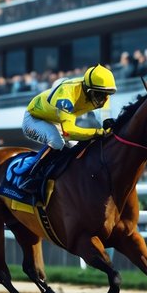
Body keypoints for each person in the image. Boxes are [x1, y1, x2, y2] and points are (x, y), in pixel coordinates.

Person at [17, 64, 117, 202]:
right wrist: (97, 132)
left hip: (55, 120)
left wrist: (108, 123)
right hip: (34, 119)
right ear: (88, 90)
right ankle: (30, 178)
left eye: (107, 94)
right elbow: (68, 132)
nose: (104, 99)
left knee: (77, 148)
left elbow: (104, 118)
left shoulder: (99, 92)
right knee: (57, 142)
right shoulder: (67, 93)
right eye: (100, 94)